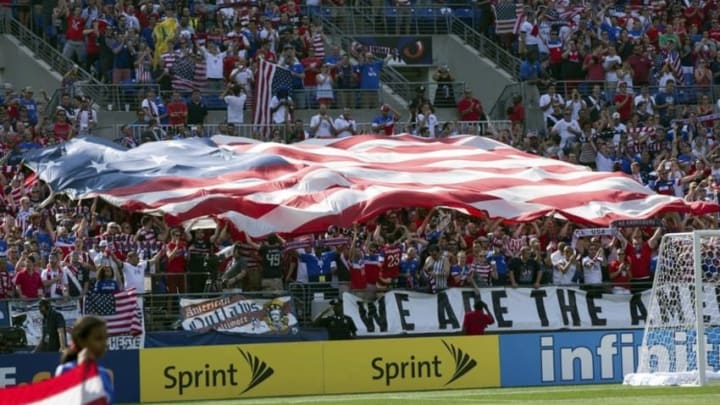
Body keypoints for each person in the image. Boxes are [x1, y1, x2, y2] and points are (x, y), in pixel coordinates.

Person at [55, 316, 114, 404]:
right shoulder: (65, 370)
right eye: (98, 338)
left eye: (105, 338)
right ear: (81, 340)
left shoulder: (106, 374)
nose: (104, 343)